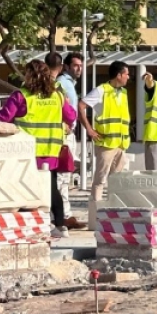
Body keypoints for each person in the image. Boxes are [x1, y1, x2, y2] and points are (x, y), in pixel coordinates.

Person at [0, 59, 76, 239]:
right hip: (51, 150)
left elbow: (3, 117)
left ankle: (31, 223)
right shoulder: (57, 96)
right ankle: (60, 225)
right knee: (52, 187)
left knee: (24, 188)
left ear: (29, 75)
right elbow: (71, 116)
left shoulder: (21, 95)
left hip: (27, 152)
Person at [82, 61, 131, 217]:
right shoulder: (101, 90)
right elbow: (81, 106)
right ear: (119, 75)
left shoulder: (123, 92)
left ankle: (113, 213)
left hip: (121, 144)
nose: (128, 77)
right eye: (127, 74)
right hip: (106, 144)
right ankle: (96, 215)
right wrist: (89, 129)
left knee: (116, 181)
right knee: (100, 180)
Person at [55, 51, 85, 229]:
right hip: (63, 136)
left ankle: (64, 214)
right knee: (62, 177)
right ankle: (62, 216)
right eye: (75, 65)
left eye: (81, 66)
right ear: (66, 66)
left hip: (69, 134)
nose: (79, 69)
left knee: (65, 178)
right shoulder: (61, 83)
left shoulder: (70, 84)